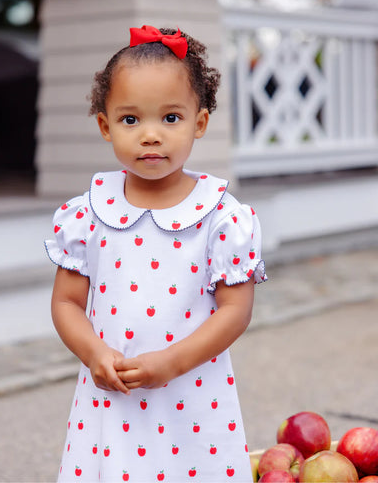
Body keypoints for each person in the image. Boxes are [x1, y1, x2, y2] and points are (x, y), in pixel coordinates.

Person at [45, 25, 267, 482]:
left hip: (191, 390)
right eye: (131, 120)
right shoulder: (88, 212)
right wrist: (93, 353)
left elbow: (235, 310)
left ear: (199, 123)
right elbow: (67, 302)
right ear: (105, 126)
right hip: (111, 391)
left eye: (170, 118)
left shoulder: (219, 216)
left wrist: (172, 363)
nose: (151, 135)